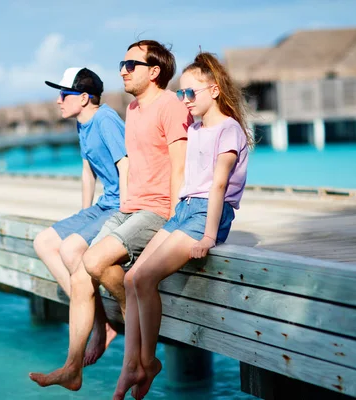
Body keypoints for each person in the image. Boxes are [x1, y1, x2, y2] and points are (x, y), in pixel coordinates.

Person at [29, 41, 191, 391]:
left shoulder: (171, 106)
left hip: (156, 209)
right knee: (82, 270)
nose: (122, 70)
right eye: (122, 63)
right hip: (129, 207)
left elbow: (178, 166)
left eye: (131, 64)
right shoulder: (133, 109)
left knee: (91, 259)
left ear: (154, 71)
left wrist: (177, 219)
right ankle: (73, 367)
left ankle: (130, 330)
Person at [113, 52, 254, 400]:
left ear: (215, 91)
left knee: (144, 278)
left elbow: (218, 185)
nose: (185, 100)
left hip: (208, 213)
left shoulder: (229, 129)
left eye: (190, 93)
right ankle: (133, 364)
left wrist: (208, 236)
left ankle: (147, 361)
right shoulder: (194, 127)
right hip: (184, 210)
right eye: (181, 94)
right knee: (131, 278)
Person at [30, 67, 128, 388]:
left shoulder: (106, 119)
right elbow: (88, 171)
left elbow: (125, 165)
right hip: (100, 206)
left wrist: (127, 215)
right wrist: (84, 215)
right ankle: (101, 322)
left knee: (73, 249)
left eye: (64, 94)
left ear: (84, 98)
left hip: (119, 206)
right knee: (44, 242)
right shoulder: (82, 124)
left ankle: (99, 328)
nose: (58, 100)